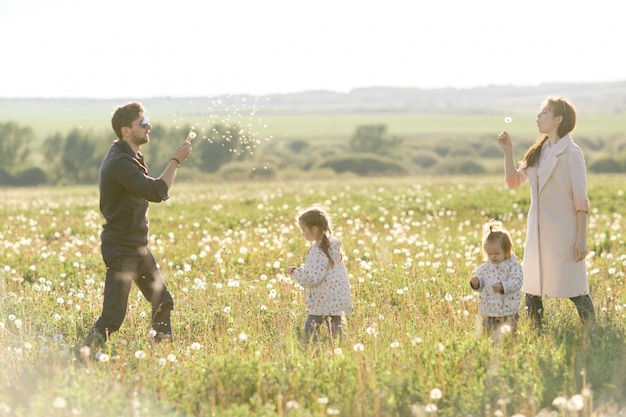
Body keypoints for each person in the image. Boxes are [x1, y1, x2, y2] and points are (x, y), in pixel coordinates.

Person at [82, 101, 193, 351]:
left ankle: (162, 352)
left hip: (137, 248)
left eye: (147, 121)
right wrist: (176, 159)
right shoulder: (120, 161)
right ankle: (81, 357)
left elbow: (152, 189)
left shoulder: (130, 155)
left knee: (163, 302)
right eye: (142, 123)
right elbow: (156, 191)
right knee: (112, 318)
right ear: (126, 130)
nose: (148, 126)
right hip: (121, 249)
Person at [497, 96, 595, 328]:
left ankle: (592, 330)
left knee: (573, 286)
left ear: (558, 119)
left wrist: (581, 239)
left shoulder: (572, 153)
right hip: (538, 230)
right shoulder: (538, 151)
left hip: (564, 231)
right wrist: (508, 152)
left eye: (544, 113)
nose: (538, 117)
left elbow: (581, 201)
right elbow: (513, 181)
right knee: (533, 285)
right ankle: (537, 330)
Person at [286, 206, 353, 342]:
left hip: (322, 301)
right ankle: (342, 351)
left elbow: (311, 279)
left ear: (315, 228)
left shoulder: (318, 251)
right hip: (336, 299)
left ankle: (312, 352)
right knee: (336, 331)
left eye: (303, 229)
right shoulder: (332, 247)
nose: (302, 233)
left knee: (309, 331)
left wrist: (295, 271)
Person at [470, 220, 523, 336]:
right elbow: (481, 284)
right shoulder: (484, 269)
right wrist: (476, 283)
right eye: (489, 254)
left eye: (497, 253)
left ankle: (510, 347)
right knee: (489, 334)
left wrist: (503, 287)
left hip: (508, 309)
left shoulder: (513, 265)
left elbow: (517, 281)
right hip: (488, 310)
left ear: (507, 250)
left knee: (509, 334)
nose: (493, 256)